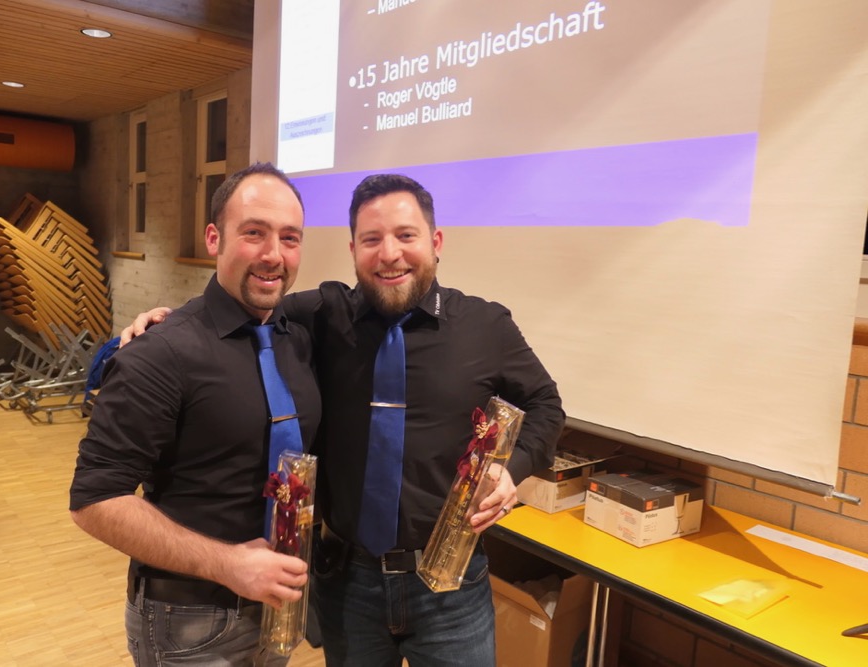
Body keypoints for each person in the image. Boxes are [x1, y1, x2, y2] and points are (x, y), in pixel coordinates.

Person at [124, 173, 565, 666]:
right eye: (372, 239)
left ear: (436, 242)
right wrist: (163, 320)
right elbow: (239, 303)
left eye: (406, 235)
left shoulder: (486, 326)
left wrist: (512, 469)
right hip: (348, 582)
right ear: (353, 250)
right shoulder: (320, 314)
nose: (389, 254)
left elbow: (546, 404)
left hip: (451, 583)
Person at [70, 162, 322, 666]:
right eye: (254, 233)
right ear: (214, 238)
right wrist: (229, 565)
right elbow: (94, 500)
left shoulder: (300, 335)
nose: (274, 254)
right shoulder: (159, 353)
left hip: (279, 611)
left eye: (289, 238)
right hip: (190, 624)